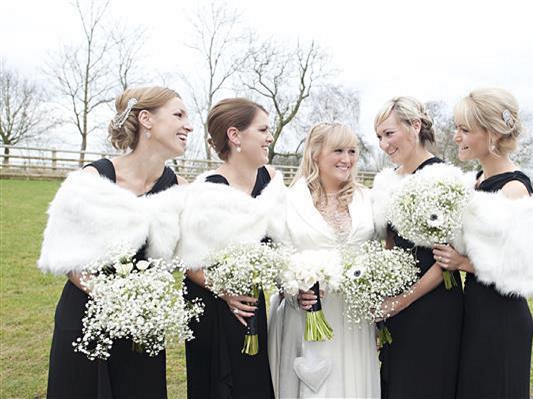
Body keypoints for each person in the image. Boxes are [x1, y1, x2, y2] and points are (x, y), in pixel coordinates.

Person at [38, 86, 193, 398]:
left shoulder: (180, 189)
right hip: (85, 315)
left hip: (143, 327)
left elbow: (196, 255)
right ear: (146, 119)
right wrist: (116, 299)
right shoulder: (91, 180)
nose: (189, 125)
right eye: (179, 114)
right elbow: (65, 256)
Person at [432, 88, 533, 399]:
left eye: (465, 129)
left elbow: (522, 270)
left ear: (493, 134)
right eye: (456, 127)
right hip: (475, 310)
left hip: (502, 319)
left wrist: (461, 263)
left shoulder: (514, 189)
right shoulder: (476, 180)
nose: (456, 136)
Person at [175, 98, 285, 399]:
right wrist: (224, 291)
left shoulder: (272, 180)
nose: (269, 137)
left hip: (251, 304)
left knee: (254, 383)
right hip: (213, 307)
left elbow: (282, 241)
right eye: (262, 129)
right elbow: (186, 260)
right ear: (235, 136)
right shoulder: (206, 190)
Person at [268, 122, 380, 398]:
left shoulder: (367, 199)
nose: (347, 159)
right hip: (308, 315)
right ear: (315, 153)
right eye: (338, 150)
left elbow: (378, 251)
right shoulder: (288, 201)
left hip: (355, 317)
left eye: (352, 151)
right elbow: (279, 256)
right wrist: (295, 290)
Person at [371, 96, 463, 399]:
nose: (384, 144)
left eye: (389, 133)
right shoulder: (385, 182)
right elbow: (389, 243)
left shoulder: (443, 178)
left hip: (433, 303)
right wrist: (381, 292)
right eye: (379, 137)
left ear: (415, 126)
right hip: (394, 300)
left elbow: (446, 259)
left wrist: (402, 301)